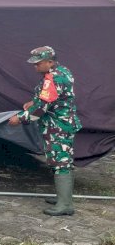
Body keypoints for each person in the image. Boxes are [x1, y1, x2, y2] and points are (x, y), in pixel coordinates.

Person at [8, 46, 81, 216]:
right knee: (64, 161)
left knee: (61, 163)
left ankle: (65, 205)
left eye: (38, 63)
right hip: (64, 124)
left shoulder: (53, 79)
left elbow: (41, 109)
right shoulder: (63, 71)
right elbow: (50, 98)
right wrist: (33, 102)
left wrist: (20, 118)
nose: (35, 67)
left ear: (50, 62)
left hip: (58, 127)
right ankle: (64, 198)